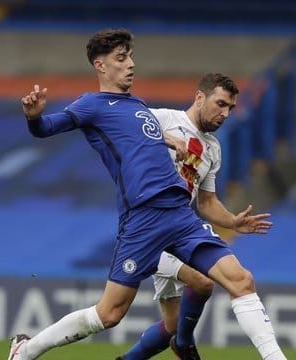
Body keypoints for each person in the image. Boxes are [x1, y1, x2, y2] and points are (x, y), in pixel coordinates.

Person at [9, 29, 287, 360]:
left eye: (130, 57)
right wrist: (33, 117)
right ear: (100, 65)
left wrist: (169, 140)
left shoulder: (139, 105)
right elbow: (46, 129)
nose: (131, 64)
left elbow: (142, 138)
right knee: (108, 315)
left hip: (180, 214)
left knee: (240, 279)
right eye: (121, 58)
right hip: (143, 218)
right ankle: (26, 351)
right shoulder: (91, 105)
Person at [117, 73, 273, 359]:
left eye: (230, 108)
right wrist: (163, 138)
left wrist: (233, 221)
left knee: (171, 326)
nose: (225, 113)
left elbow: (206, 202)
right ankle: (185, 344)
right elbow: (122, 120)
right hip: (146, 229)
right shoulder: (164, 118)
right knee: (201, 282)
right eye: (220, 104)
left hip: (176, 230)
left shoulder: (213, 148)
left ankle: (152, 350)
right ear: (200, 97)